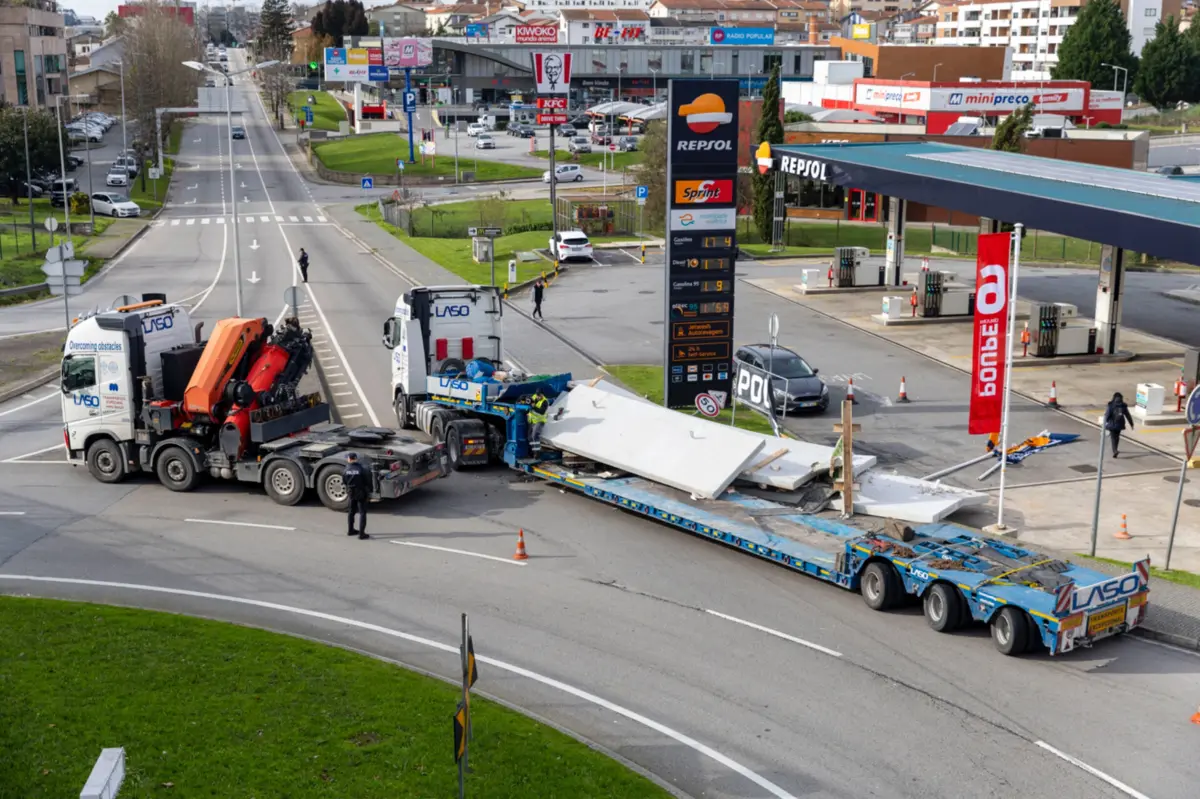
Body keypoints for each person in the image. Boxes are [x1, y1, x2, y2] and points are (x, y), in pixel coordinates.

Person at [342, 453, 370, 540]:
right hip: (360, 492)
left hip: (351, 492)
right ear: (356, 459)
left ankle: (350, 530)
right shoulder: (361, 469)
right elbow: (367, 481)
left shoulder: (346, 469)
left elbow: (344, 481)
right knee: (362, 513)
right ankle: (362, 534)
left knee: (351, 512)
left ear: (350, 459)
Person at [1103, 391, 1134, 458]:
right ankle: (1115, 449)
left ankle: (1115, 451)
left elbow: (1107, 415)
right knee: (1117, 437)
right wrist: (1131, 424)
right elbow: (1128, 415)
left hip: (1112, 424)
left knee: (1113, 438)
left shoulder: (1111, 405)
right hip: (1120, 424)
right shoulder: (1123, 406)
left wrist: (1105, 423)